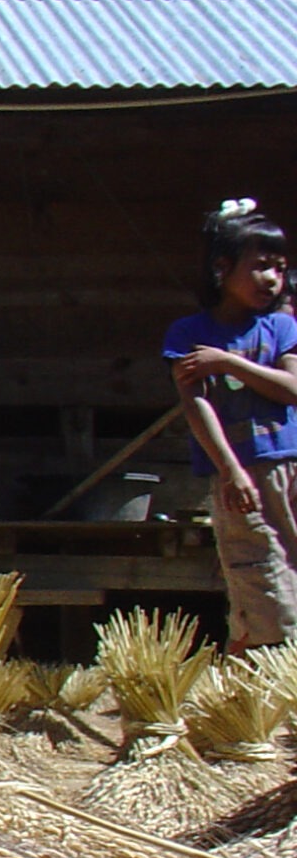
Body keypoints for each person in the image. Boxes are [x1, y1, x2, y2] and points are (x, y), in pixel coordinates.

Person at [164, 198, 297, 650]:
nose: (272, 279)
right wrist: (231, 469)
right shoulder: (187, 334)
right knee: (263, 585)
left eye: (279, 268)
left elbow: (293, 388)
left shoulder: (280, 327)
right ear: (223, 268)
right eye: (261, 266)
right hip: (242, 479)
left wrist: (229, 364)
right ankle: (269, 694)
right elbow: (196, 405)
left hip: (291, 471)